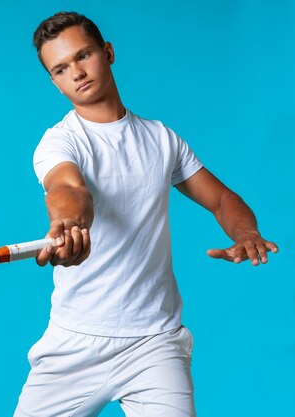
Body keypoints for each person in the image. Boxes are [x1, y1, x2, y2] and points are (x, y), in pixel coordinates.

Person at [14, 11, 279, 417]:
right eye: (61, 69)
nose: (77, 73)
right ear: (54, 81)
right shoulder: (59, 142)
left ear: (108, 52)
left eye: (83, 56)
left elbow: (222, 200)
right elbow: (68, 188)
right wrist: (68, 223)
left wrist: (246, 232)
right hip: (74, 343)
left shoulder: (161, 139)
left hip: (155, 344)